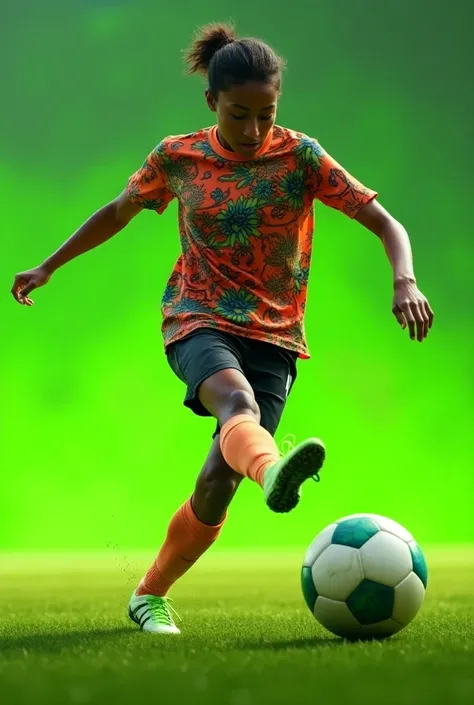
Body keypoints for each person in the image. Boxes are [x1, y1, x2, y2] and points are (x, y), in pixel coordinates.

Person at [11, 22, 434, 636]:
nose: (254, 130)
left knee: (215, 484)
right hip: (197, 315)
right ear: (212, 102)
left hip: (276, 335)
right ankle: (274, 472)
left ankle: (149, 592)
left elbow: (386, 222)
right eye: (240, 114)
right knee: (236, 403)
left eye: (266, 114)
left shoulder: (301, 157)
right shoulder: (177, 156)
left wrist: (405, 281)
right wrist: (49, 265)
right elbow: (117, 211)